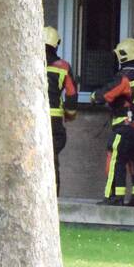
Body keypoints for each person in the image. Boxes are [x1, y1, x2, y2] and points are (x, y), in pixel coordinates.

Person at [89, 38, 134, 207]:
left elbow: (105, 94)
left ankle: (114, 197)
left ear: (123, 56)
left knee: (115, 159)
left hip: (126, 127)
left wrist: (94, 96)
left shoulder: (126, 76)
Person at [44, 26, 77, 195]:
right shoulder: (63, 66)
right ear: (56, 45)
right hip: (54, 120)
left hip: (32, 120)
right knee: (52, 158)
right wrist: (70, 115)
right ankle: (52, 196)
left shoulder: (28, 64)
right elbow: (71, 94)